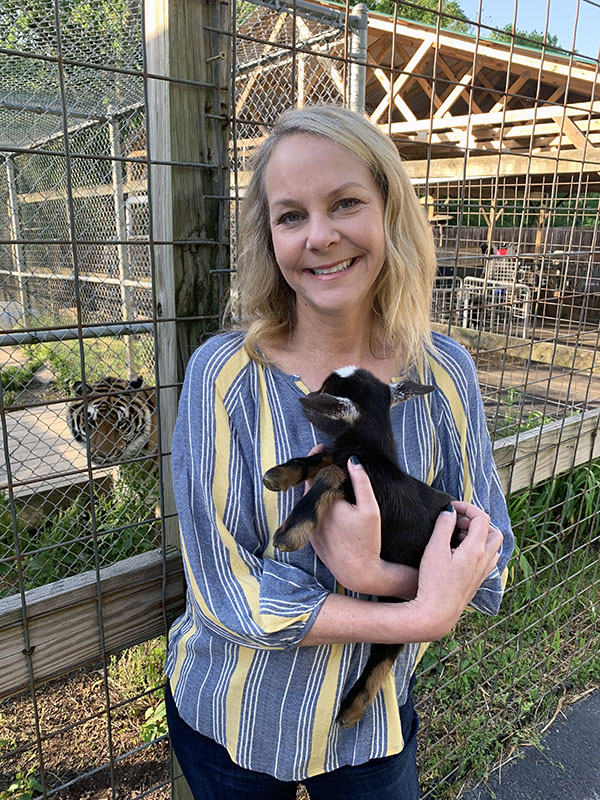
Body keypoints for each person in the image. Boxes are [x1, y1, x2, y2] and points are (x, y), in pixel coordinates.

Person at [164, 104, 513, 800]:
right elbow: (222, 586)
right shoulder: (224, 373)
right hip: (233, 714)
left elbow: (487, 550)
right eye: (291, 215)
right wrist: (415, 613)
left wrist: (371, 571)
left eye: (346, 202)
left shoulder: (443, 373)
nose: (319, 237)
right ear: (270, 237)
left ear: (390, 211)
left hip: (368, 728)